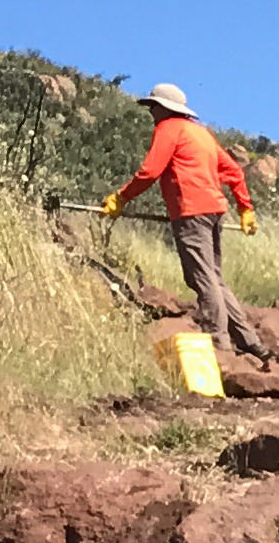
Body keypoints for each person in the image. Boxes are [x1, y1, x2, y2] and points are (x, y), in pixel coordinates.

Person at [102, 83, 267, 360]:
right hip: (214, 210)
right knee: (214, 277)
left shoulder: (169, 129)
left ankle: (219, 342)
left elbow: (150, 171)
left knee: (202, 277)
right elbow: (234, 172)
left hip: (191, 212)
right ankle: (249, 341)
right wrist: (245, 208)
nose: (151, 112)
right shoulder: (200, 133)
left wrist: (121, 198)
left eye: (152, 106)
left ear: (165, 108)